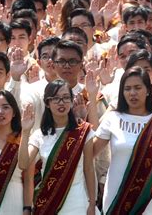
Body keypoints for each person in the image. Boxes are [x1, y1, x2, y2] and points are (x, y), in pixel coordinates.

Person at [93, 67, 152, 214]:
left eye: (137, 88)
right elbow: (90, 152)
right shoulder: (113, 118)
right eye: (127, 89)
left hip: (149, 199)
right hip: (116, 196)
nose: (132, 93)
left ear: (148, 90)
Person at [18, 80, 96, 214]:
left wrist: (92, 203)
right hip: (48, 201)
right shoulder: (40, 135)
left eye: (66, 98)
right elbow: (23, 164)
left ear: (72, 101)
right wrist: (25, 132)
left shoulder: (83, 131)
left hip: (76, 200)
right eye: (56, 98)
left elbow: (88, 168)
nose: (61, 102)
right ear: (47, 103)